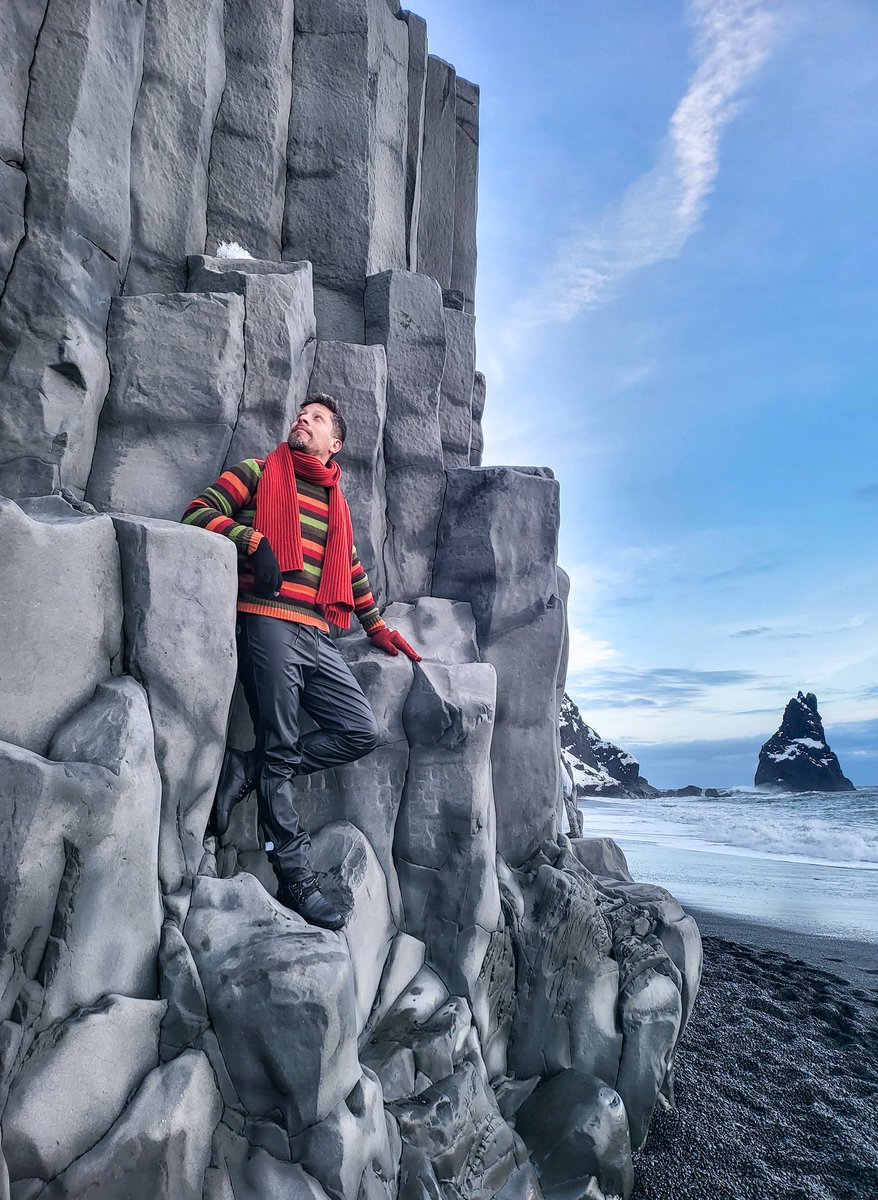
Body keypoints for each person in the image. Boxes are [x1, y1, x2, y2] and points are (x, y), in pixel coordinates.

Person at [181, 394, 420, 930]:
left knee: (360, 730)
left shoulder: (337, 501)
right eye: (300, 415)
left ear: (335, 444)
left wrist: (377, 628)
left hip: (318, 634)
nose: (301, 422)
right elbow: (197, 513)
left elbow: (351, 569)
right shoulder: (260, 471)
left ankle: (248, 765)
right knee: (283, 747)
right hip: (266, 621)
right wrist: (252, 540)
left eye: (314, 420)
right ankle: (297, 880)